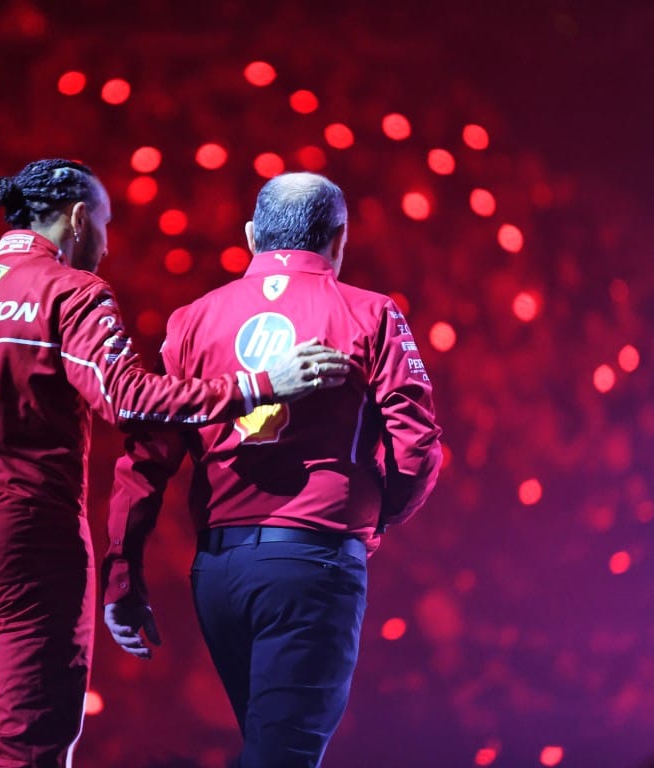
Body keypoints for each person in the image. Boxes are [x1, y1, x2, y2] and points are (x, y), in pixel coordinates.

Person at [0, 159, 351, 768]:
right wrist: (258, 384)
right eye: (105, 223)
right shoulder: (70, 292)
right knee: (29, 749)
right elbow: (129, 399)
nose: (107, 242)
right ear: (77, 219)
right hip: (29, 542)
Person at [103, 172, 443, 767]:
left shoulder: (191, 320)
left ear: (251, 236)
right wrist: (376, 516)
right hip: (314, 563)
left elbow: (145, 460)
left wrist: (122, 574)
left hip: (217, 572)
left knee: (268, 750)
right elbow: (417, 448)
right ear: (339, 239)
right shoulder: (372, 313)